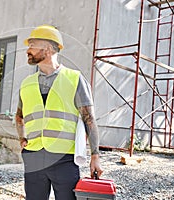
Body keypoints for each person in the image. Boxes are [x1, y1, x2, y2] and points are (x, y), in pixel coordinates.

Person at [15, 25, 103, 200]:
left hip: (64, 159)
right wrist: (22, 138)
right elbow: (19, 116)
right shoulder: (26, 83)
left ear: (47, 49)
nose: (28, 50)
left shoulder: (74, 79)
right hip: (34, 157)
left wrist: (95, 155)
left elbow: (89, 119)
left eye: (32, 45)